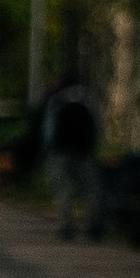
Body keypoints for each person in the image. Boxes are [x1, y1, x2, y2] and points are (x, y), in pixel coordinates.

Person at [44, 77, 102, 238]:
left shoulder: (57, 100)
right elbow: (97, 125)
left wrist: (48, 150)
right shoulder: (88, 98)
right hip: (83, 152)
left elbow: (49, 128)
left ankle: (66, 226)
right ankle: (93, 227)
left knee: (63, 189)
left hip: (60, 151)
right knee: (91, 190)